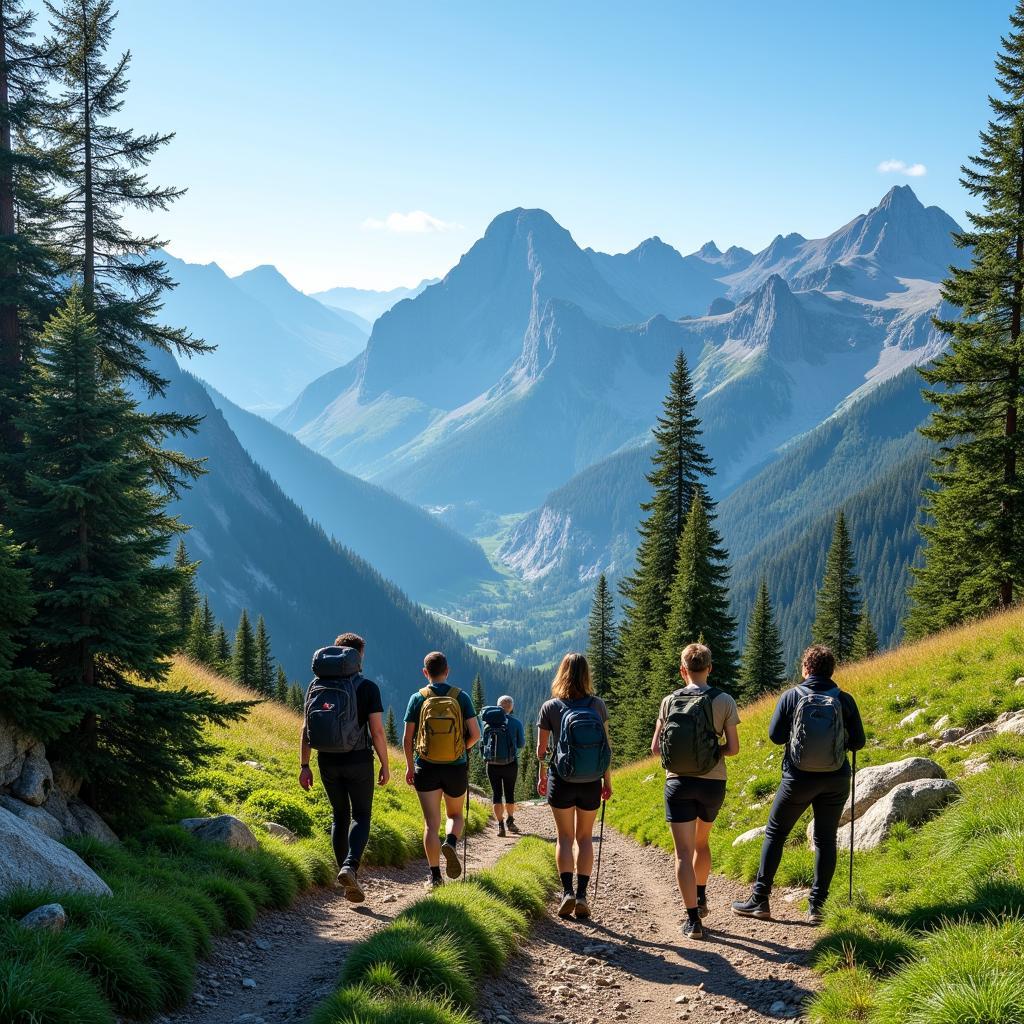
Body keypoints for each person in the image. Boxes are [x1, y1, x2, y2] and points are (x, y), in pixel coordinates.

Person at [732, 644, 866, 924]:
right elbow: (859, 742)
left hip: (798, 779)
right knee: (825, 839)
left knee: (775, 834)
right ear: (831, 671)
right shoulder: (844, 699)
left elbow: (775, 736)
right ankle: (817, 906)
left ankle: (760, 900)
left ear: (805, 669)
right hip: (835, 779)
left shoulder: (792, 696)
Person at [650, 642, 740, 940]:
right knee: (702, 843)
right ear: (709, 668)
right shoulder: (724, 700)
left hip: (678, 783)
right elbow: (734, 748)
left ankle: (692, 921)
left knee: (683, 852)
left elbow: (654, 749)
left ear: (682, 670)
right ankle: (701, 896)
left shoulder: (668, 701)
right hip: (713, 783)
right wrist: (713, 751)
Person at [299, 632, 389, 903]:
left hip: (326, 760)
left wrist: (304, 765)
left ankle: (347, 875)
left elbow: (306, 729)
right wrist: (385, 763)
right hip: (359, 759)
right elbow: (377, 732)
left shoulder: (316, 685)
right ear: (358, 655)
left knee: (339, 816)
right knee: (361, 816)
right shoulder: (367, 688)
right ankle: (350, 866)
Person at [537, 653, 612, 920]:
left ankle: (567, 892)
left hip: (562, 779)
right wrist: (607, 780)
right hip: (591, 780)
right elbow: (605, 748)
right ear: (586, 675)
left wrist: (542, 776)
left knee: (565, 838)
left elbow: (541, 750)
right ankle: (582, 895)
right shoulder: (597, 705)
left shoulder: (550, 707)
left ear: (562, 673)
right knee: (584, 838)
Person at [403, 651, 481, 888]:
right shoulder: (461, 697)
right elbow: (476, 735)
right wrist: (460, 750)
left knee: (430, 822)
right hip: (455, 768)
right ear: (447, 670)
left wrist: (409, 767)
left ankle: (435, 876)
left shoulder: (418, 698)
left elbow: (407, 739)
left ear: (425, 672)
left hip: (425, 767)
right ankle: (451, 842)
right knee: (455, 815)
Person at [483, 694, 526, 837]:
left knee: (496, 794)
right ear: (511, 708)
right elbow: (521, 744)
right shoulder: (516, 723)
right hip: (510, 764)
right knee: (509, 793)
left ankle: (500, 825)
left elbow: (482, 745)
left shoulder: (487, 724)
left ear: (497, 706)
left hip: (492, 764)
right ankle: (510, 821)